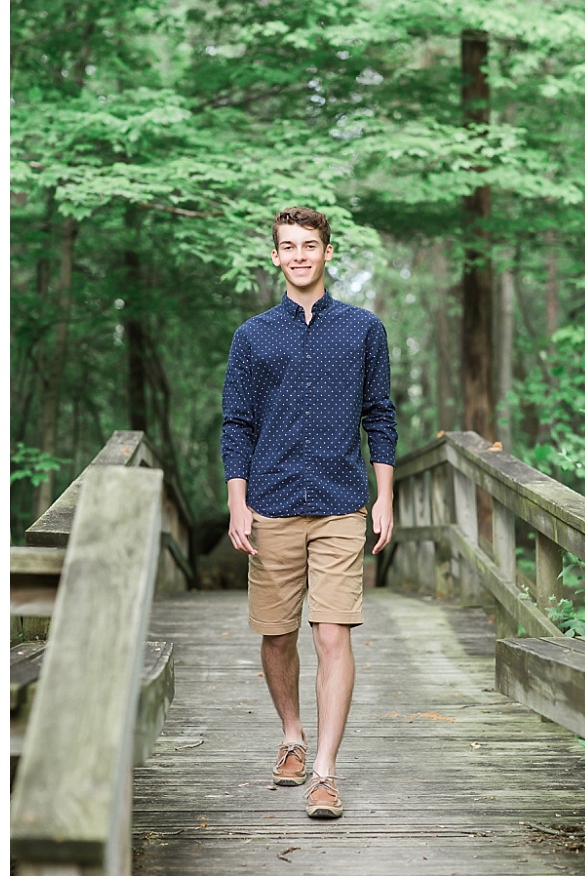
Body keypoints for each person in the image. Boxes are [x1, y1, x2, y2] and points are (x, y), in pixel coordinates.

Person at [221, 206, 398, 819]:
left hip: (341, 504)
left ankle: (324, 771)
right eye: (288, 246)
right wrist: (236, 500)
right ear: (275, 256)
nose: (299, 255)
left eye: (310, 245)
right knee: (277, 634)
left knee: (331, 632)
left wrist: (386, 496)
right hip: (269, 503)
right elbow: (237, 424)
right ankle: (292, 737)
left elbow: (380, 415)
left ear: (327, 253)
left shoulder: (363, 330)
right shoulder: (252, 336)